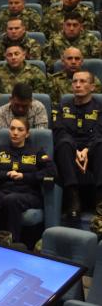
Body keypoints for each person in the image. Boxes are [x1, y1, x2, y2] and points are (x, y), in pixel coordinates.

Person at [0, 117, 56, 244]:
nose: (15, 132)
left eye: (20, 129)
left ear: (27, 133)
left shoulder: (36, 151)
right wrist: (6, 174)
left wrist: (24, 176)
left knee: (11, 200)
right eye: (12, 129)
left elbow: (51, 171)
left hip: (28, 193)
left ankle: (12, 242)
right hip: (3, 190)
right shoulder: (0, 150)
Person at [53, 71, 102, 219]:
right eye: (75, 82)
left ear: (92, 87)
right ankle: (73, 198)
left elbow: (99, 132)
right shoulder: (62, 107)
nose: (78, 85)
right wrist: (76, 150)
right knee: (63, 143)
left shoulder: (100, 108)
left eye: (83, 81)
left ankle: (100, 200)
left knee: (101, 144)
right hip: (69, 151)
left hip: (92, 149)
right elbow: (60, 131)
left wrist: (87, 149)